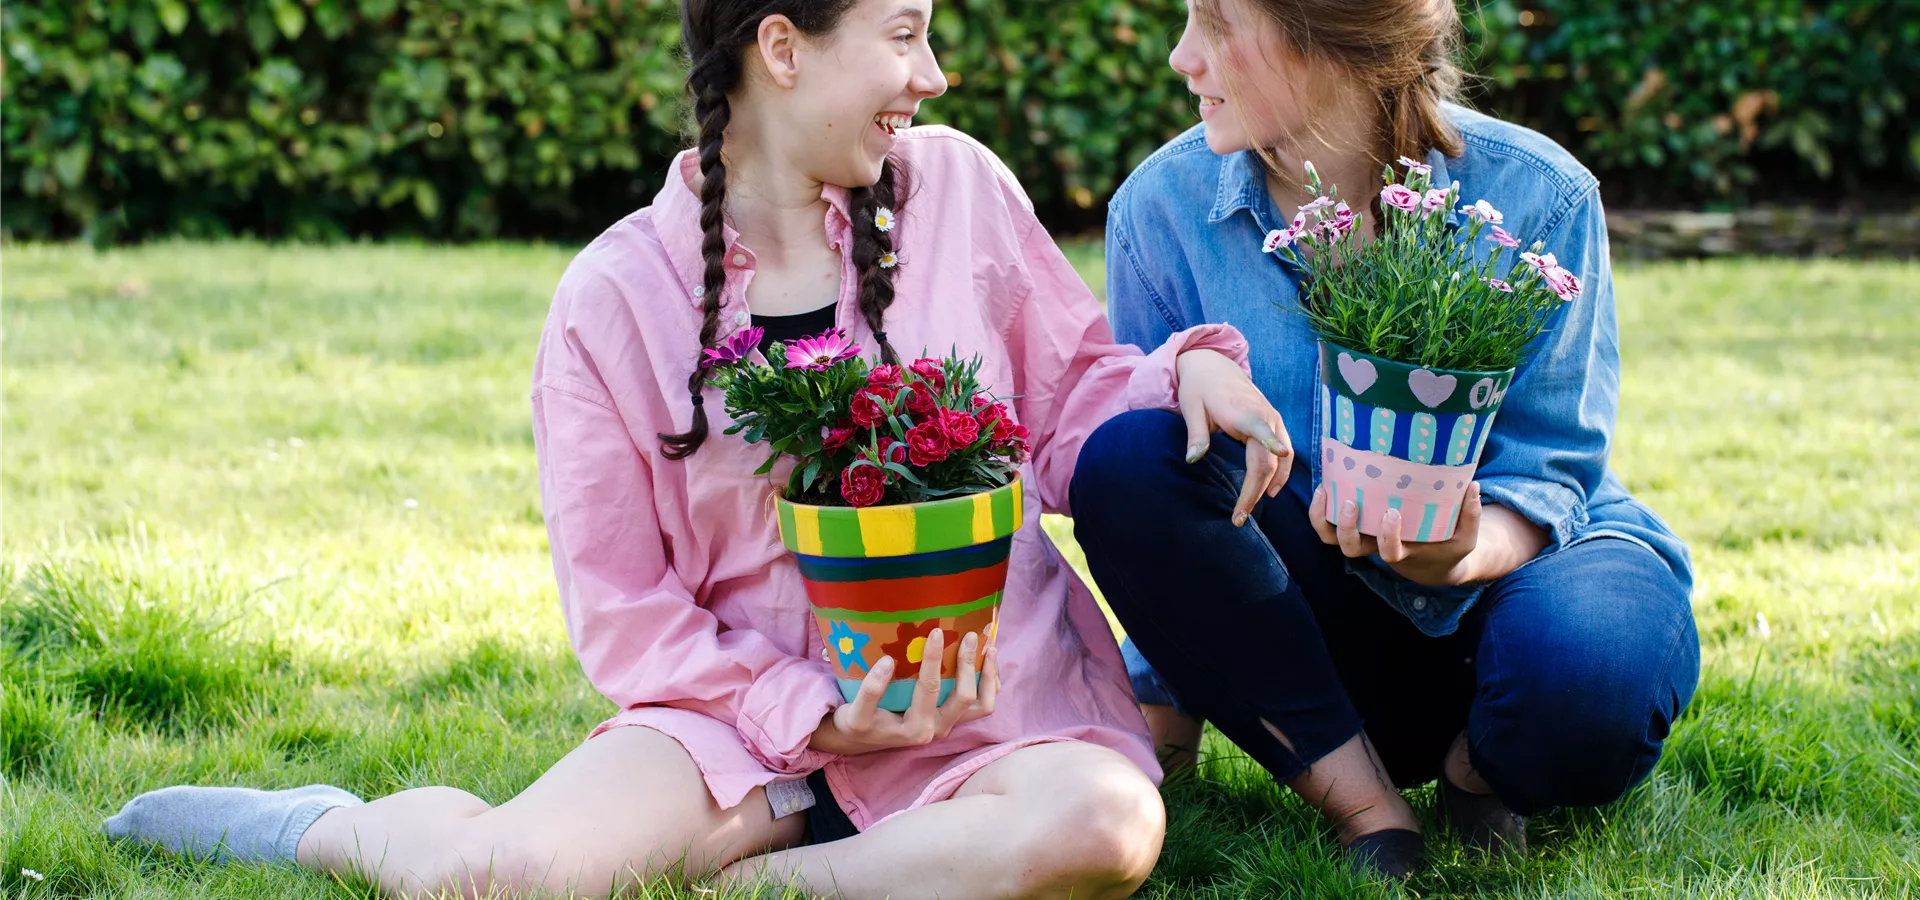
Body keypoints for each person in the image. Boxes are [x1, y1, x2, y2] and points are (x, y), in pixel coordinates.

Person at [102, 0, 1293, 897]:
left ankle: (754, 882)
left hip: (979, 708)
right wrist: (811, 720)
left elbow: (1074, 386)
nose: (931, 74)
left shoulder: (960, 192)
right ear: (784, 50)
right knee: (501, 876)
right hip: (739, 722)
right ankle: (329, 824)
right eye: (905, 35)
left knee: (1106, 827)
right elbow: (625, 612)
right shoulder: (615, 299)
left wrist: (1180, 368)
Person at [1067, 0, 1701, 879]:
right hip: (1315, 637)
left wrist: (1461, 554)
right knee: (1130, 450)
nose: (1182, 59)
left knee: (1588, 683)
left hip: (1517, 578)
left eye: (1214, 25)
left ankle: (1483, 770)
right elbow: (1170, 490)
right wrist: (1163, 681)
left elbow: (1551, 470)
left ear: (1328, 41)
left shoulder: (1538, 195)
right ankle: (1368, 806)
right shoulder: (1161, 212)